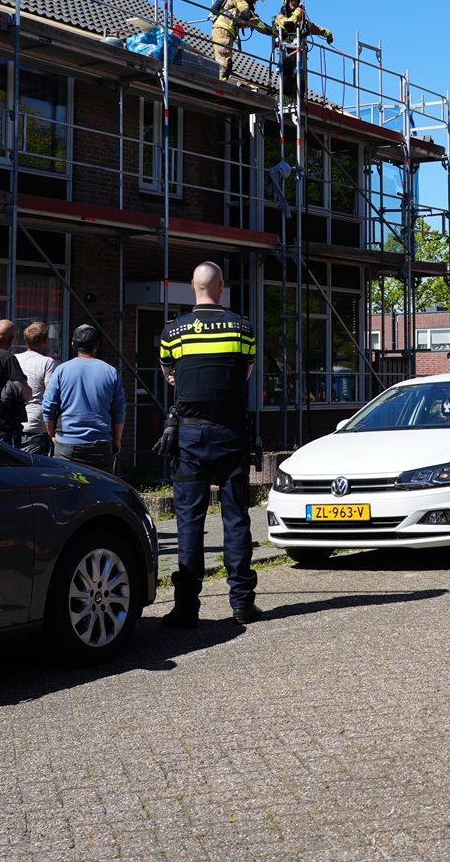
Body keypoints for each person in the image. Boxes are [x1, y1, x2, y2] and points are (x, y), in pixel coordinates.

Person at [156, 261, 262, 626]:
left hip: (189, 434)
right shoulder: (243, 328)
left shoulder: (174, 332)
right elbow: (245, 374)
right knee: (236, 517)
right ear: (221, 288)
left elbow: (170, 375)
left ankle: (186, 607)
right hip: (230, 432)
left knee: (189, 519)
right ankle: (242, 603)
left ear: (192, 287)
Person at [43, 324, 127, 473]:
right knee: (101, 492)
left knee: (68, 492)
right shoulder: (111, 372)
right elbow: (119, 411)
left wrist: (51, 434)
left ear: (73, 345)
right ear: (97, 346)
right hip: (101, 445)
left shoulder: (62, 370)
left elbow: (48, 406)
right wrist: (117, 441)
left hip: (67, 446)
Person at [273, 0, 333, 105]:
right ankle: (285, 103)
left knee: (301, 81)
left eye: (296, 1)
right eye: (291, 0)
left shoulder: (302, 21)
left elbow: (315, 28)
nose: (294, 3)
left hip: (300, 55)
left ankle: (299, 102)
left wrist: (328, 34)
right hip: (287, 53)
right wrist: (298, 12)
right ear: (286, 1)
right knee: (287, 77)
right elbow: (288, 24)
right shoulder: (280, 17)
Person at [210, 0, 273, 83]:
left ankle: (222, 83)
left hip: (228, 32)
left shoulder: (244, 0)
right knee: (224, 62)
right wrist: (270, 30)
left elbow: (252, 20)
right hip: (222, 30)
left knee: (228, 64)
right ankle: (219, 85)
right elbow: (246, 13)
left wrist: (270, 30)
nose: (256, 0)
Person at [16, 321, 57, 455]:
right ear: (45, 342)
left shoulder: (14, 358)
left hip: (16, 422)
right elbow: (50, 394)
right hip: (36, 424)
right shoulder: (47, 362)